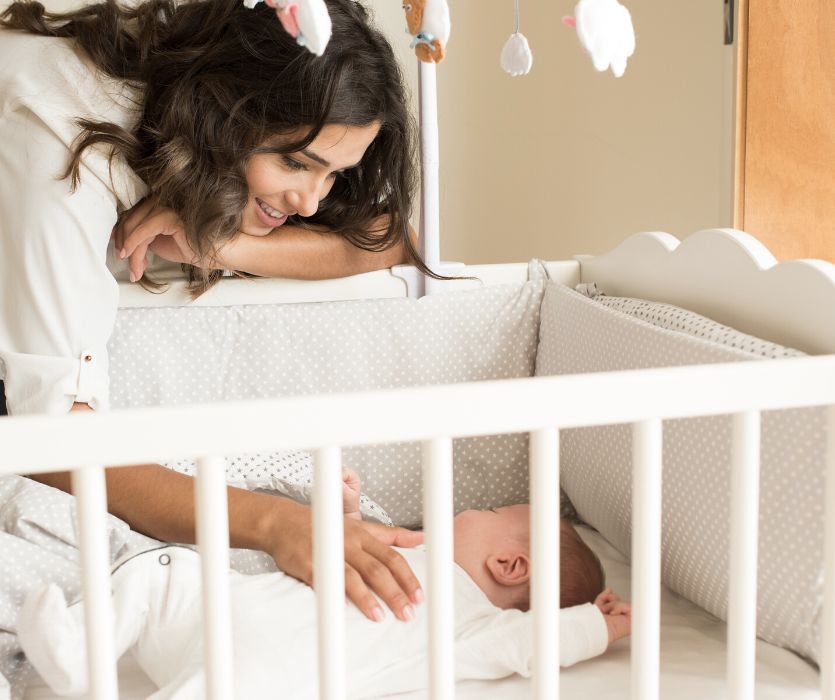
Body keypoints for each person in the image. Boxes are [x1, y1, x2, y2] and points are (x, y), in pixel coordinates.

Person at [0, 0, 432, 622]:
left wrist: (225, 243)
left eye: (335, 174)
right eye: (296, 164)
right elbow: (56, 444)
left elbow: (397, 237)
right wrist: (277, 524)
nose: (312, 202)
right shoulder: (61, 144)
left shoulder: (196, 104)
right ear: (223, 111)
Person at [17, 471, 632, 698]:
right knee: (162, 573)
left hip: (275, 667)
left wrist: (593, 628)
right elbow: (337, 548)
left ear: (510, 566)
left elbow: (527, 646)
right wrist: (345, 513)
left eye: (497, 515)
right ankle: (79, 649)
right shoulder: (405, 545)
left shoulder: (475, 625)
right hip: (219, 607)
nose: (480, 509)